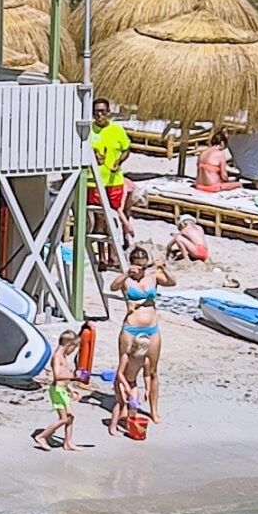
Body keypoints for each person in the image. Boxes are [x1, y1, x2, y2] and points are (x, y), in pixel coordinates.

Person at [110, 245, 172, 423]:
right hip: (131, 328)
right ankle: (123, 406)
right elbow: (113, 286)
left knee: (152, 370)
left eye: (146, 266)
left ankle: (153, 409)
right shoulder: (126, 280)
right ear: (133, 264)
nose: (143, 270)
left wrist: (164, 269)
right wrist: (127, 273)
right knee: (126, 369)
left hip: (152, 328)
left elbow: (172, 282)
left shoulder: (153, 277)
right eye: (140, 267)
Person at [33, 330, 89, 450]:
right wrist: (74, 376)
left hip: (63, 390)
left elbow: (64, 375)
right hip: (57, 391)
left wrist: (70, 388)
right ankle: (42, 436)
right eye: (73, 349)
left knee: (70, 417)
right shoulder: (56, 357)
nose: (72, 351)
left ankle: (68, 443)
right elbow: (57, 375)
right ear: (68, 345)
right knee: (64, 418)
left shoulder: (62, 356)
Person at [88, 98, 133, 244]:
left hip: (114, 180)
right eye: (96, 113)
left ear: (108, 113)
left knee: (113, 215)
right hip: (93, 181)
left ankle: (113, 253)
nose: (99, 116)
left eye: (102, 112)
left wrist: (119, 161)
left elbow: (126, 149)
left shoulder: (117, 130)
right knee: (99, 218)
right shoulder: (88, 130)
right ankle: (102, 255)